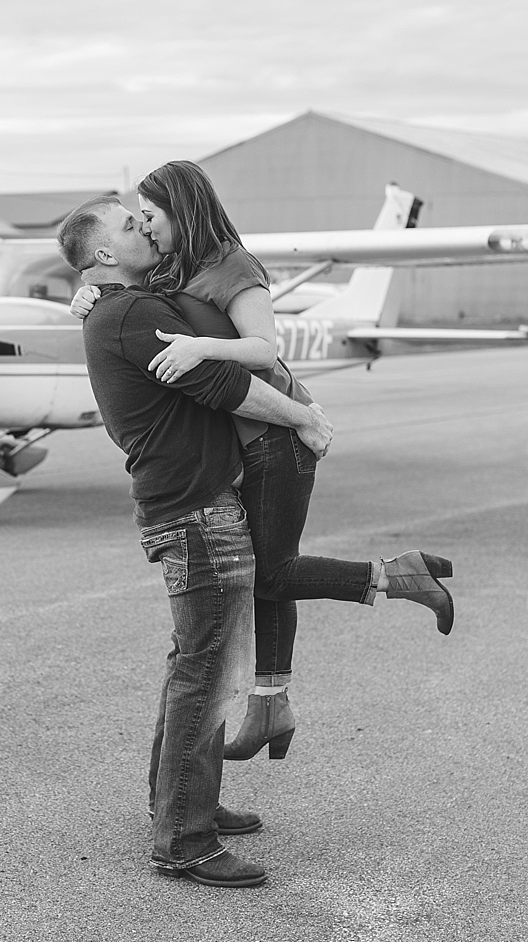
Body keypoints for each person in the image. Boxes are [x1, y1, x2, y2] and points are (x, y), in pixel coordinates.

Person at [71, 160, 454, 766]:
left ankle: (398, 576)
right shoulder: (174, 269)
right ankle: (270, 703)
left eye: (150, 216)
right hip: (247, 439)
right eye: (135, 221)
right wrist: (90, 289)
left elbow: (262, 349)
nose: (144, 227)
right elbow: (130, 303)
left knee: (270, 575)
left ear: (181, 208)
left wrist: (207, 352)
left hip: (276, 428)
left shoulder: (231, 264)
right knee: (271, 571)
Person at [56, 194, 332, 889]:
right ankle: (184, 836)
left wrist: (83, 293)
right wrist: (304, 417)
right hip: (197, 513)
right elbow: (225, 382)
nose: (141, 224)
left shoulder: (118, 306)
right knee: (207, 668)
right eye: (127, 223)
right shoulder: (134, 313)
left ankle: (179, 800)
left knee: (195, 662)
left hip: (183, 508)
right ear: (106, 255)